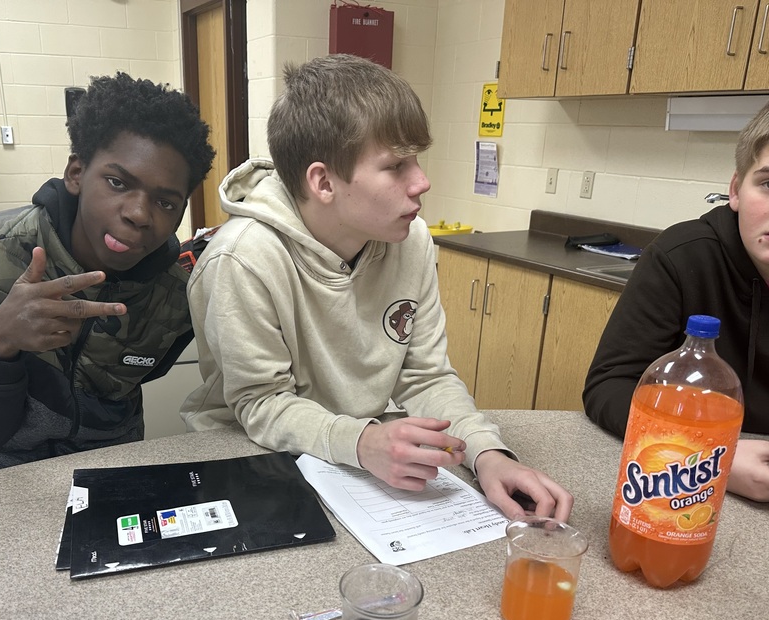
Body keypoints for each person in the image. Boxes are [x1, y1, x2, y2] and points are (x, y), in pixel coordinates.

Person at [180, 54, 573, 521]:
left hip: (359, 456)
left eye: (417, 160)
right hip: (250, 457)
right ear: (323, 182)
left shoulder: (411, 240)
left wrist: (487, 453)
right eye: (396, 165)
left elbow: (425, 376)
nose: (422, 182)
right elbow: (260, 404)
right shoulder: (243, 257)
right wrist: (364, 442)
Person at [0, 72, 215, 489]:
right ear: (77, 173)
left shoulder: (176, 297)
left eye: (165, 202)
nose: (139, 214)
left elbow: (138, 381)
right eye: (117, 183)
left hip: (94, 467)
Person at [584, 85, 769, 507]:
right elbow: (608, 386)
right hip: (681, 474)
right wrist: (711, 457)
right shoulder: (679, 257)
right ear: (736, 190)